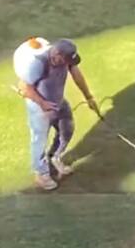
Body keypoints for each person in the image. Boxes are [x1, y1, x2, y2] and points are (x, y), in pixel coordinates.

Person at [14, 38, 99, 190]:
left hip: (58, 101)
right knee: (39, 140)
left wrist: (89, 97)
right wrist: (42, 103)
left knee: (67, 129)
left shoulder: (65, 59)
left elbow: (76, 73)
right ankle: (41, 174)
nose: (68, 64)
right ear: (57, 55)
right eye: (66, 61)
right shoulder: (38, 63)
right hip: (39, 108)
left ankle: (54, 157)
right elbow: (24, 86)